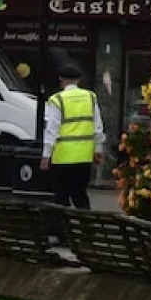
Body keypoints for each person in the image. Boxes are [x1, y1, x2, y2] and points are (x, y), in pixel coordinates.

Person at [40, 64, 103, 210]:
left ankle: (60, 230)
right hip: (84, 157)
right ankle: (87, 229)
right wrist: (98, 149)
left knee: (60, 197)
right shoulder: (90, 97)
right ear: (78, 80)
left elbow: (52, 130)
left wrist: (46, 155)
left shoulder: (57, 99)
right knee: (80, 195)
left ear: (61, 79)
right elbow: (97, 126)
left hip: (63, 157)